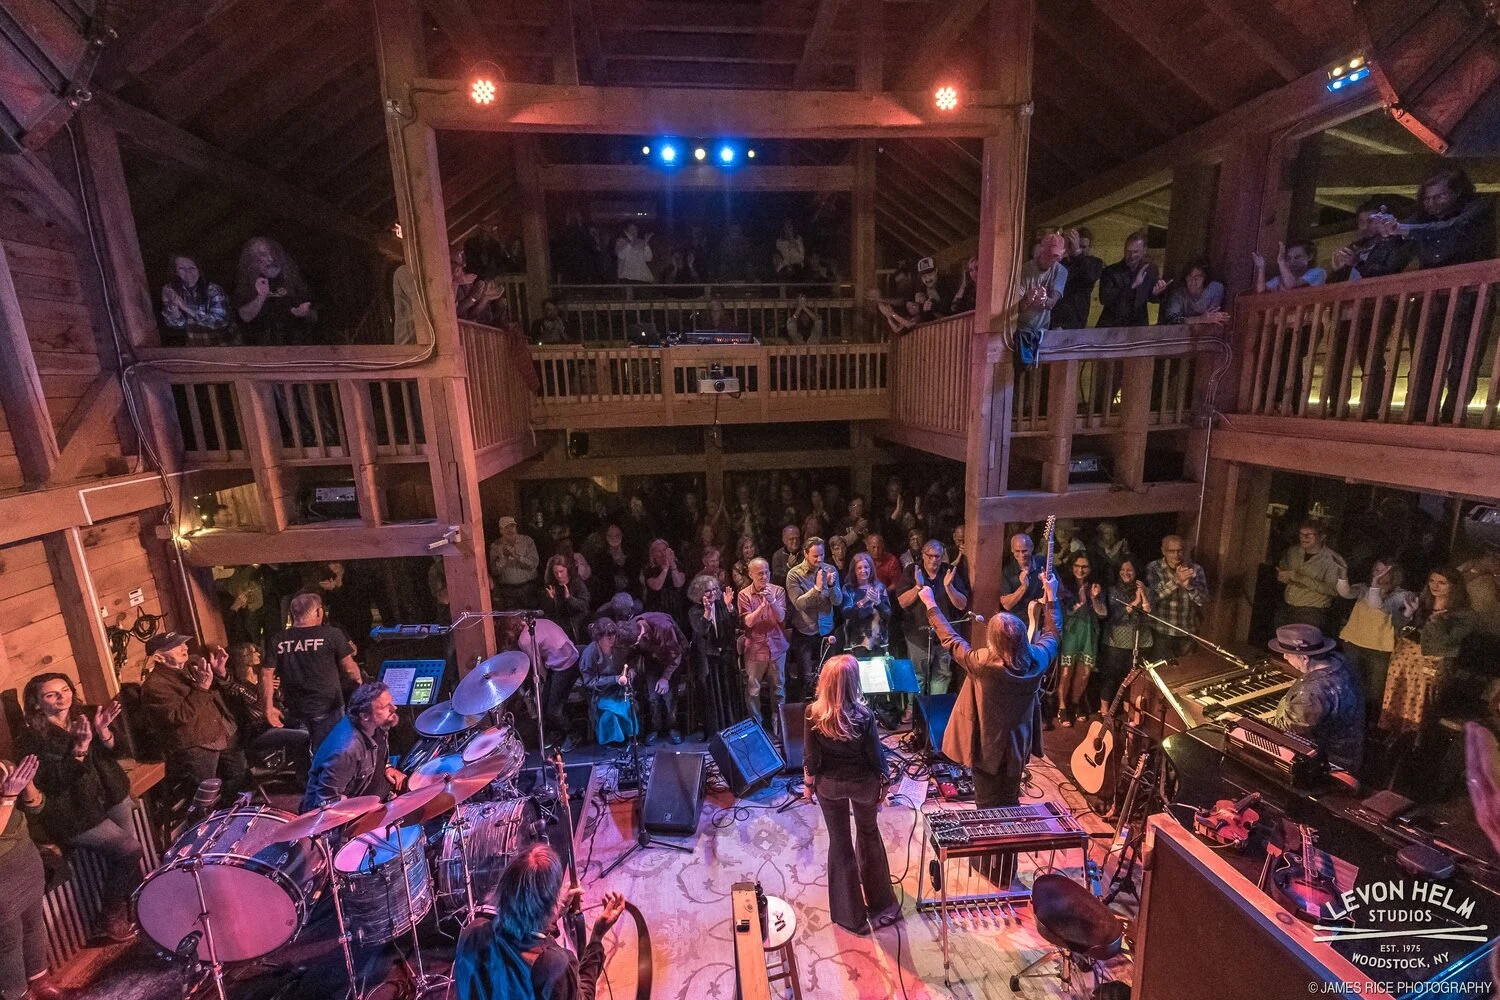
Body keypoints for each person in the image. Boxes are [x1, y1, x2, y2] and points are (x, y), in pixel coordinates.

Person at [921, 570, 1062, 806]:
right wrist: (1051, 595)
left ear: (992, 642)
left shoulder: (982, 663)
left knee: (986, 804)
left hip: (986, 748)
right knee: (1010, 799)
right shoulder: (1037, 659)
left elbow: (951, 639)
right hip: (1018, 744)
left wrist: (930, 604)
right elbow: (1053, 634)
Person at [19, 673, 138, 943]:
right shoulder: (32, 740)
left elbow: (120, 750)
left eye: (65, 689)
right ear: (36, 703)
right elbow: (53, 784)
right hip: (75, 813)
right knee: (129, 851)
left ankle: (140, 909)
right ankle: (109, 917)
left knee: (132, 860)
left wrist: (104, 732)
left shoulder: (87, 714)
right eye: (51, 694)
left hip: (111, 794)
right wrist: (80, 749)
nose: (62, 697)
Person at [802, 655, 901, 934]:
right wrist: (885, 784)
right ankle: (880, 902)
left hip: (829, 787)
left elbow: (811, 758)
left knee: (840, 842)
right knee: (868, 833)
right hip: (863, 785)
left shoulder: (812, 713)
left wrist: (808, 786)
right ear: (853, 683)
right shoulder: (864, 715)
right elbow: (876, 757)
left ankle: (850, 916)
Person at [454, 843, 626, 1000]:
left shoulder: (472, 931)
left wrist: (552, 914)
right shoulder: (554, 964)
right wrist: (596, 938)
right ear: (550, 903)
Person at [139, 633, 245, 799]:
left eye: (183, 643)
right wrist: (201, 688)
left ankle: (235, 811)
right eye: (176, 646)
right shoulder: (154, 686)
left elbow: (224, 689)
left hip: (224, 732)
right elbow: (178, 716)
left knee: (239, 781)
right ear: (159, 657)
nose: (185, 647)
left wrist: (220, 672)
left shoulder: (193, 664)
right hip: (197, 746)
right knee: (206, 796)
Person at [1380, 567, 1476, 737]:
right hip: (1405, 658)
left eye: (1442, 582)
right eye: (1432, 581)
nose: (1435, 586)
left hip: (1431, 662)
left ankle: (1415, 738)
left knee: (1421, 702)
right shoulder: (1422, 603)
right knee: (1397, 696)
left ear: (1454, 586)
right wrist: (1408, 614)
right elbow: (1402, 630)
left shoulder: (1465, 614)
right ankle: (1392, 735)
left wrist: (1436, 623)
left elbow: (1447, 641)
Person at [263, 591, 362, 753]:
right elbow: (350, 669)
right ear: (318, 612)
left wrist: (268, 707)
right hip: (329, 709)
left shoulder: (278, 640)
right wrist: (359, 687)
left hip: (296, 710)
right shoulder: (332, 634)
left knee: (303, 754)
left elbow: (266, 673)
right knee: (332, 753)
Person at [0, 754, 62, 1000]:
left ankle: (40, 982)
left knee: (33, 923)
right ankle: (19, 994)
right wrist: (8, 797)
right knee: (8, 938)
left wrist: (27, 785)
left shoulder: (3, 766)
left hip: (24, 855)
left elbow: (36, 806)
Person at [1269, 625, 1365, 774]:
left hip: (1328, 765)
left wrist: (1243, 719)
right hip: (1352, 752)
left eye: (1288, 655)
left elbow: (1287, 731)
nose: (1284, 658)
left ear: (1304, 658)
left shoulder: (1313, 691)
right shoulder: (1340, 663)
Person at [302, 682, 404, 812]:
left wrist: (387, 766)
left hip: (372, 794)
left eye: (391, 702)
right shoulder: (345, 751)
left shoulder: (378, 724)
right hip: (346, 813)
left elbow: (378, 752)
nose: (394, 708)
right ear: (365, 716)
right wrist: (369, 811)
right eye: (386, 707)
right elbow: (327, 803)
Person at [1336, 558, 1413, 721]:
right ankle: (1349, 720)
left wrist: (1375, 586)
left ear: (1394, 574)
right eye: (1377, 570)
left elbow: (1377, 605)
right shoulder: (1364, 588)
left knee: (1374, 692)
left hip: (1379, 649)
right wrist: (1343, 575)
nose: (1379, 574)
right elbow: (1345, 593)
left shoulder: (1402, 595)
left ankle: (1369, 723)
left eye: (1384, 571)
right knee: (1351, 685)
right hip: (1353, 643)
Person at [894, 540, 968, 697]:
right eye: (930, 556)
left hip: (944, 637)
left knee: (942, 675)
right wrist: (918, 587)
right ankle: (914, 708)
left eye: (938, 556)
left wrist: (949, 587)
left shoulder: (949, 571)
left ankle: (935, 707)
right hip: (918, 635)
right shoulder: (912, 570)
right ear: (923, 554)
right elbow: (902, 602)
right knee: (918, 675)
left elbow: (962, 605)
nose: (934, 560)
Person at [785, 537, 844, 703]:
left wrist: (831, 586)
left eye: (822, 555)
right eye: (815, 556)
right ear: (805, 554)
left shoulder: (830, 569)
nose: (819, 559)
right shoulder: (794, 574)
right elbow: (798, 604)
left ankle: (829, 709)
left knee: (829, 675)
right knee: (806, 678)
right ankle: (807, 711)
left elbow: (838, 601)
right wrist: (817, 588)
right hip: (804, 632)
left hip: (826, 630)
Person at [618, 612, 688, 745]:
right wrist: (631, 667)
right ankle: (656, 727)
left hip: (672, 663)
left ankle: (672, 727)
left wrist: (665, 678)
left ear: (640, 634)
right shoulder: (632, 627)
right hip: (653, 662)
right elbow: (632, 653)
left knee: (669, 698)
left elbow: (676, 654)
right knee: (653, 697)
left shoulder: (663, 627)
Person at [738, 557, 789, 737]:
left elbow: (781, 617)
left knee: (778, 688)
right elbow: (748, 622)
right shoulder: (744, 594)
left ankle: (778, 722)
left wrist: (772, 600)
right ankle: (756, 725)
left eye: (766, 572)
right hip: (755, 649)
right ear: (751, 575)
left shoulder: (778, 591)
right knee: (753, 690)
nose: (764, 577)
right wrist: (761, 607)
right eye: (760, 573)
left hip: (777, 646)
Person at [234, 236, 317, 345]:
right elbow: (244, 317)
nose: (270, 259)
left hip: (295, 345)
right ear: (252, 260)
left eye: (272, 253)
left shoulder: (294, 279)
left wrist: (302, 313)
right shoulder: (246, 283)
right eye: (263, 255)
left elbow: (316, 316)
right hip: (260, 347)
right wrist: (261, 297)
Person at [1057, 552, 1106, 727]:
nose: (1080, 570)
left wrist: (1093, 598)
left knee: (1084, 673)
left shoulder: (1095, 586)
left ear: (1090, 568)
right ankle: (1062, 706)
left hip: (1089, 631)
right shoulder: (1065, 585)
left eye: (1084, 566)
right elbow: (1068, 611)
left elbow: (1103, 613)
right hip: (1071, 631)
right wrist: (1082, 598)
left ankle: (1075, 702)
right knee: (1066, 672)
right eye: (1077, 566)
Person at [687, 574, 739, 738]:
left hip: (725, 655)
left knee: (728, 692)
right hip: (708, 658)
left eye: (715, 589)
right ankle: (715, 731)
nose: (712, 593)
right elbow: (701, 630)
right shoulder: (694, 611)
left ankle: (731, 728)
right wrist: (707, 613)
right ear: (699, 593)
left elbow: (735, 624)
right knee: (712, 694)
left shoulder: (722, 605)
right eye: (708, 591)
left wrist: (730, 608)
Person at [1099, 557, 1153, 714]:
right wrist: (1135, 601)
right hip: (1116, 641)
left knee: (1133, 680)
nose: (1126, 573)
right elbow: (1115, 616)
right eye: (1122, 570)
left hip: (1139, 640)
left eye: (1130, 570)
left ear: (1136, 572)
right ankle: (1104, 711)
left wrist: (1143, 595)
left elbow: (1150, 614)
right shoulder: (1113, 591)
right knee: (1111, 677)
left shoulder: (1145, 589)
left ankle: (1128, 711)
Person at [1275, 520, 1348, 631]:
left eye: (1309, 535)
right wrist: (1283, 577)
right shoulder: (1293, 551)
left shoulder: (1333, 560)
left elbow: (1333, 590)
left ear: (1322, 536)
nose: (1304, 538)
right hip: (1287, 606)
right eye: (1301, 534)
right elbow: (1284, 569)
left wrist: (1300, 578)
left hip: (1312, 612)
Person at [1146, 535, 1209, 659]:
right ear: (1163, 551)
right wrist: (1176, 581)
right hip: (1162, 631)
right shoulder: (1154, 568)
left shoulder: (1196, 569)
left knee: (1187, 668)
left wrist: (1189, 587)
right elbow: (1152, 598)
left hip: (1188, 630)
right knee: (1162, 668)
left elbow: (1204, 600)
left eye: (1180, 551)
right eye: (1172, 551)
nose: (1176, 555)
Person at [578, 619, 636, 745]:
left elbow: (630, 660)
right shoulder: (590, 653)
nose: (612, 638)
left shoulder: (618, 646)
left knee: (627, 705)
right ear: (599, 638)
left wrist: (631, 670)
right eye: (608, 636)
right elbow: (590, 681)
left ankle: (629, 736)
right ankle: (613, 741)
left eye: (613, 635)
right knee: (609, 713)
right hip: (601, 692)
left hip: (620, 689)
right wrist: (614, 679)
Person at [1016, 233, 1068, 365]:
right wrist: (1028, 299)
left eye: (1056, 256)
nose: (1052, 259)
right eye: (1049, 254)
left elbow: (1051, 303)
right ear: (1041, 250)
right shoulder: (1025, 270)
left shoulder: (1061, 271)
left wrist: (1043, 300)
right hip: (1021, 329)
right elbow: (1017, 307)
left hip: (1043, 330)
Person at [1097, 231, 1168, 327]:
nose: (1131, 256)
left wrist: (1156, 293)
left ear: (1144, 250)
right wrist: (1132, 286)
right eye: (1128, 251)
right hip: (1113, 325)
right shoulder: (1110, 271)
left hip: (1138, 325)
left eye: (1136, 252)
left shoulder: (1150, 270)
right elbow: (1104, 299)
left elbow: (1152, 298)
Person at [1329, 197, 1408, 282]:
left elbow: (1388, 276)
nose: (1365, 227)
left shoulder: (1394, 245)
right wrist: (1337, 271)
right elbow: (1334, 286)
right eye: (1361, 222)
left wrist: (1358, 263)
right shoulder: (1353, 249)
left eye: (1370, 221)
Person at [159, 253, 228, 346]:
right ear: (176, 271)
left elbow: (219, 322)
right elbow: (178, 325)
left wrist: (186, 308)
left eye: (191, 268)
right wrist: (173, 308)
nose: (187, 272)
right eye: (181, 268)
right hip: (194, 346)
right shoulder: (173, 289)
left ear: (199, 269)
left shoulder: (213, 290)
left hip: (222, 346)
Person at [1053, 227, 1104, 329]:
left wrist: (1077, 252)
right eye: (1075, 245)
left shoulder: (1095, 263)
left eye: (1083, 247)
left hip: (1077, 321)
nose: (1079, 249)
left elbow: (1090, 275)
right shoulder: (1061, 264)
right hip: (1055, 318)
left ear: (1090, 247)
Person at [841, 552, 891, 653]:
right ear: (854, 570)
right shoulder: (848, 588)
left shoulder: (879, 587)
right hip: (855, 642)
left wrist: (877, 602)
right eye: (859, 568)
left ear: (871, 569)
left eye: (866, 567)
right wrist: (863, 601)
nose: (863, 570)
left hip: (878, 641)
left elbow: (888, 614)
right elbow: (846, 613)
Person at [491, 516, 541, 610]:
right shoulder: (495, 546)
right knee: (512, 617)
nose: (510, 530)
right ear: (501, 530)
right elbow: (494, 571)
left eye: (512, 526)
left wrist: (517, 557)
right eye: (506, 527)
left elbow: (534, 564)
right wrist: (504, 557)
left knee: (532, 615)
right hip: (508, 591)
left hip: (528, 588)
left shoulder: (527, 541)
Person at [1159, 258, 1229, 325]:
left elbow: (1213, 316)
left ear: (1205, 277)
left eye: (1198, 277)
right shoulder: (1178, 295)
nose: (1193, 281)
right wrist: (1200, 319)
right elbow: (1171, 320)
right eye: (1190, 276)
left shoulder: (1215, 289)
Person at [540, 554, 591, 645]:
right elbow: (547, 612)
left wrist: (569, 598)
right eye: (555, 572)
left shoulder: (577, 583)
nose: (559, 575)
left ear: (567, 570)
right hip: (559, 628)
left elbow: (584, 605)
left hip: (577, 627)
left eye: (561, 571)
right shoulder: (551, 586)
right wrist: (550, 600)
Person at [999, 531, 1046, 621]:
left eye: (1024, 551)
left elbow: (1060, 591)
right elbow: (1007, 605)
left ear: (1032, 548)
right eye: (1017, 551)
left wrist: (1049, 583)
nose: (1021, 555)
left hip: (1042, 619)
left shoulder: (1043, 563)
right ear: (1012, 550)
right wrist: (1023, 587)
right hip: (1019, 621)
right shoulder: (1007, 571)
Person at [641, 538, 687, 627]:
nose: (663, 553)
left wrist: (672, 565)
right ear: (653, 554)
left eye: (664, 550)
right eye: (659, 551)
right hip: (657, 606)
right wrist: (665, 568)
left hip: (674, 605)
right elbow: (656, 586)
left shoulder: (677, 566)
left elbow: (679, 584)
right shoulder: (650, 569)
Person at [1253, 239, 1326, 293]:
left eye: (1297, 257)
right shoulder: (1281, 278)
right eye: (1288, 258)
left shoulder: (1318, 272)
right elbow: (1261, 291)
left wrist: (1281, 262)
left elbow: (1291, 285)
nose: (1292, 261)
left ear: (1309, 257)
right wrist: (1261, 268)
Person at [770, 524, 801, 591]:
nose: (795, 541)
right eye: (791, 539)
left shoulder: (806, 552)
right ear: (784, 540)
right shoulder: (777, 556)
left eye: (797, 538)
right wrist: (788, 566)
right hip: (785, 592)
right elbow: (777, 581)